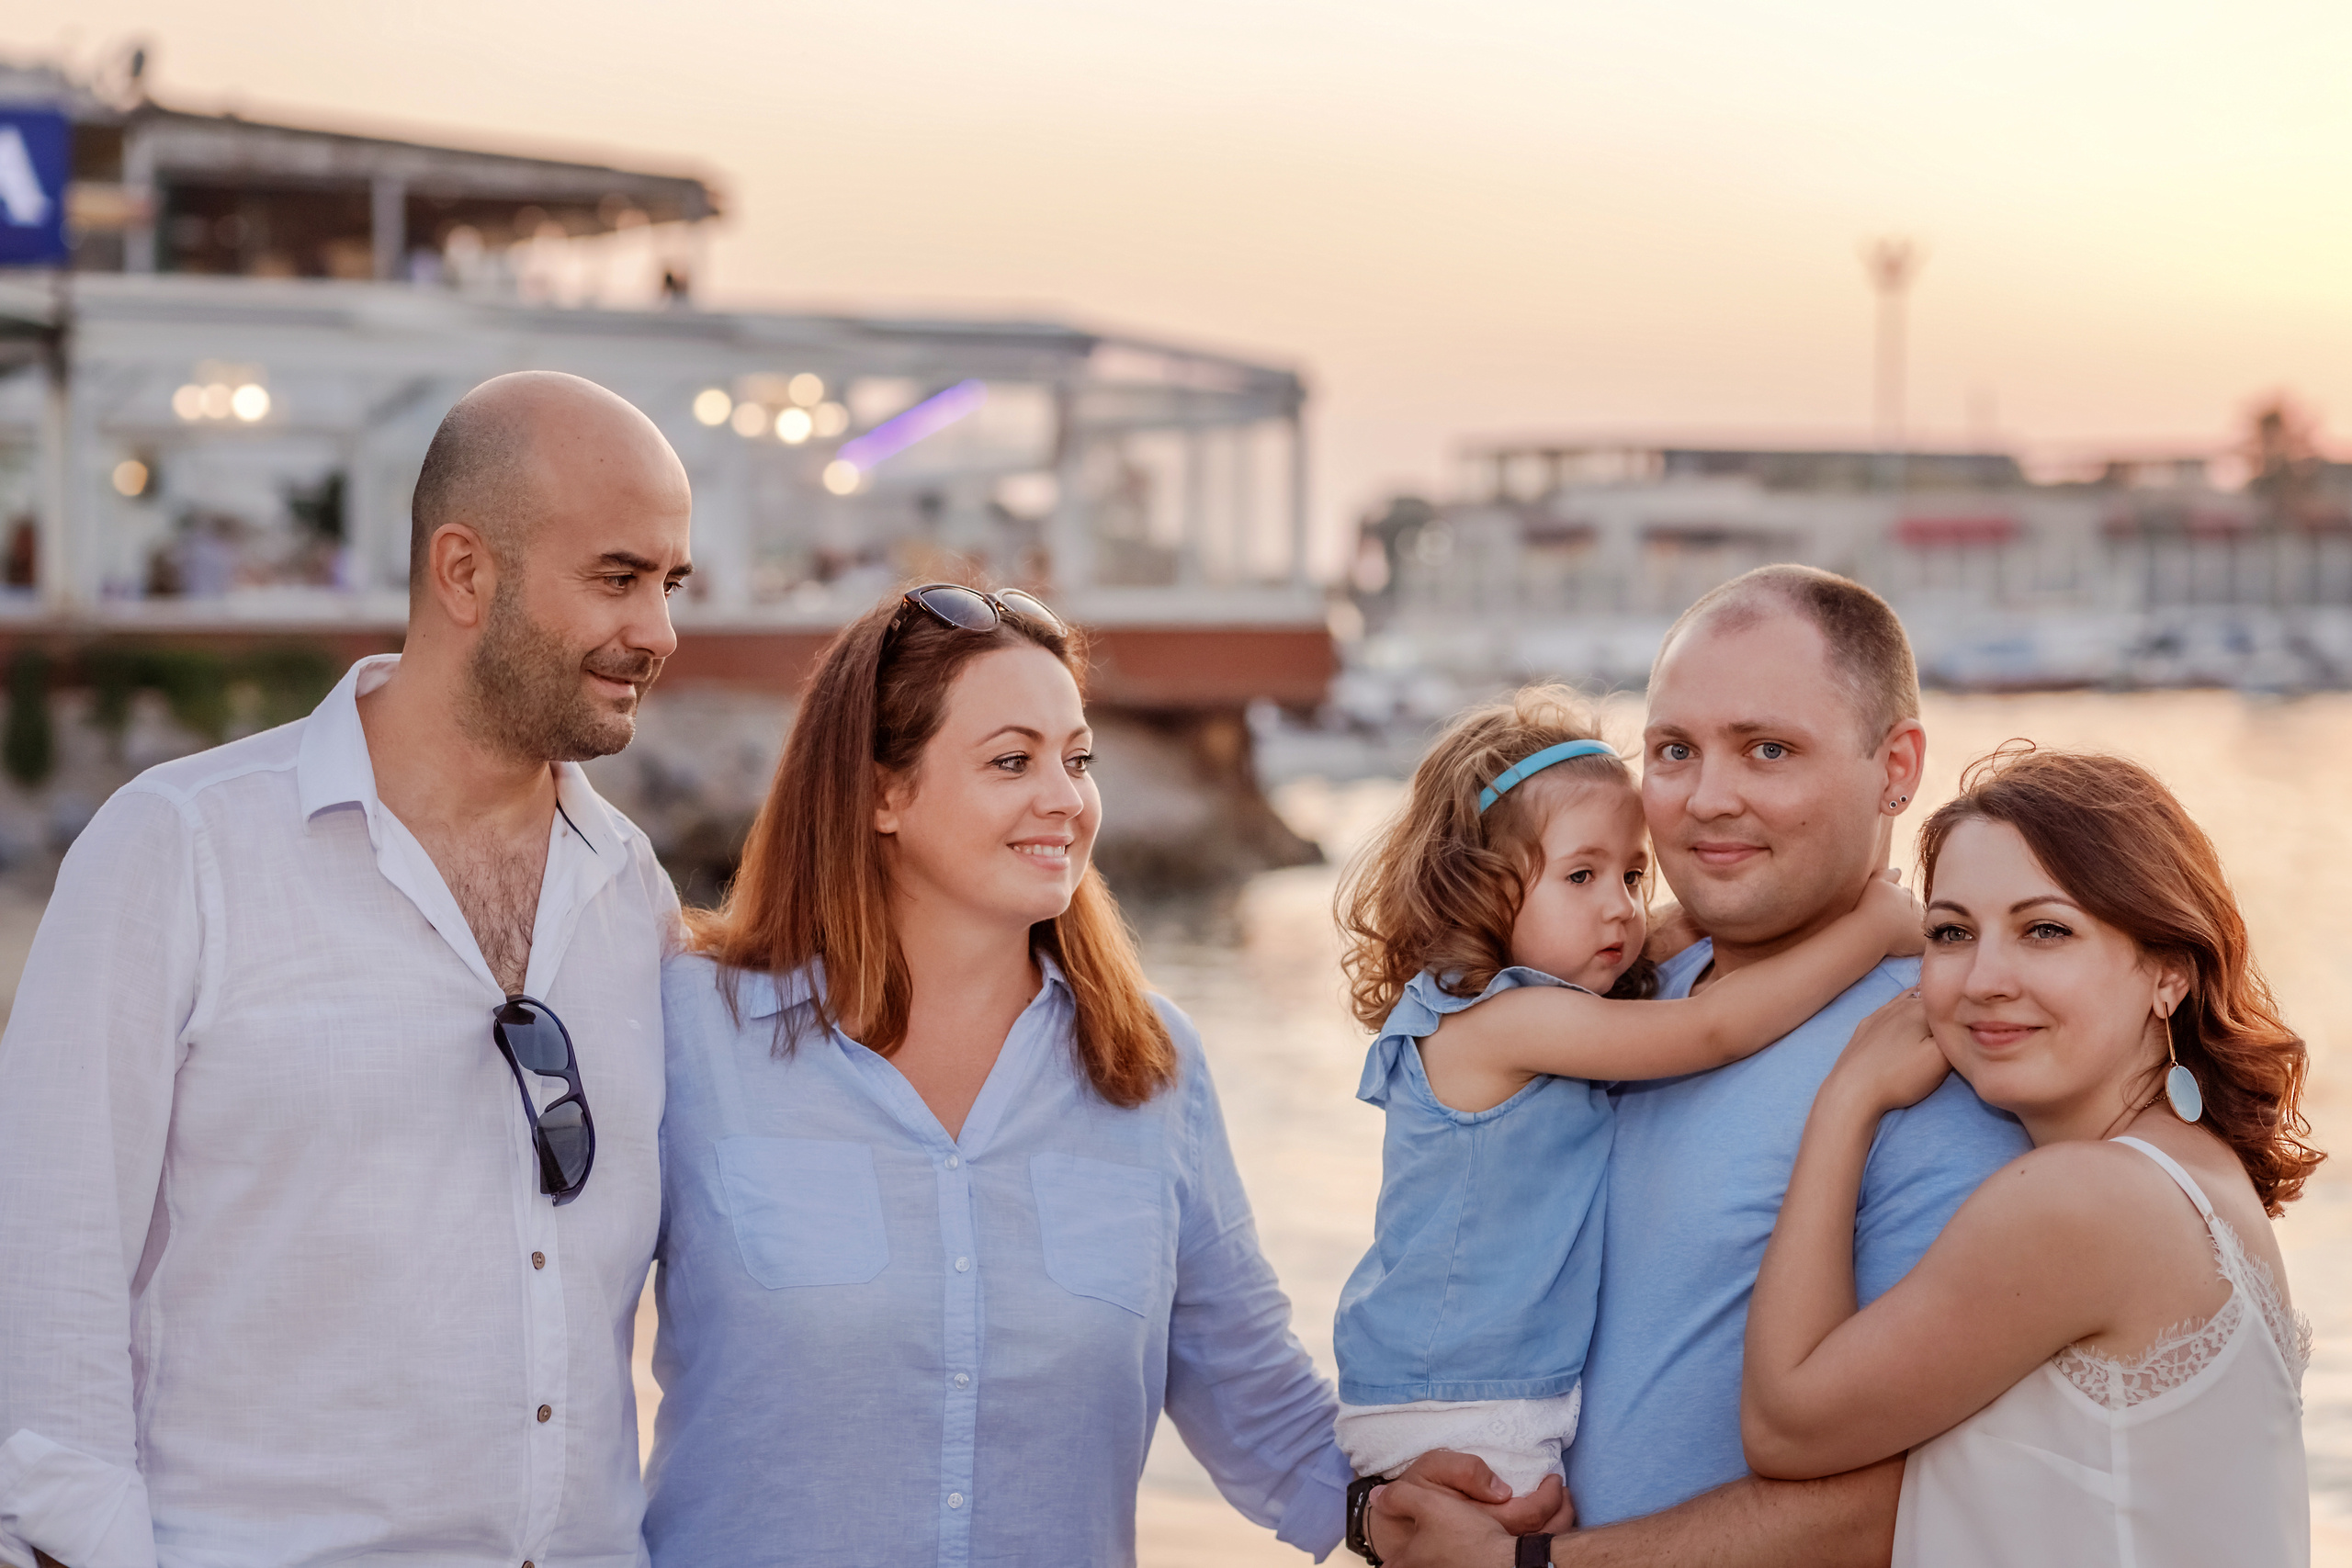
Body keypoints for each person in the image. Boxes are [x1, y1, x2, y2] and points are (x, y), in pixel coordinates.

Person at [0, 371, 693, 1568]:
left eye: (670, 585)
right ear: (465, 570)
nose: (660, 633)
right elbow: (43, 1293)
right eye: (619, 577)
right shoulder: (179, 848)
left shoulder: (634, 893)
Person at [647, 581, 1351, 1566]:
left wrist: (1406, 1509)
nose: (1064, 799)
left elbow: (1259, 1407)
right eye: (1012, 761)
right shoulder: (693, 1026)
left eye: (1077, 759)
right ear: (883, 791)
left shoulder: (1152, 1065)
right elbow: (550, 1362)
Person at [1367, 566, 2032, 1566]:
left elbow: (1921, 1489)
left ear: (1895, 765)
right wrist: (1399, 1499)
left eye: (1768, 749)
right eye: (1674, 750)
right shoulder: (1611, 988)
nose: (1707, 799)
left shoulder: (1934, 1051)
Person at [1329, 685, 1922, 1504]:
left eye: (1632, 873)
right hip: (1462, 1400)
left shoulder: (1522, 1001)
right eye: (1581, 874)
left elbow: (1672, 930)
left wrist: (1707, 912)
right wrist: (1877, 927)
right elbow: (1714, 1028)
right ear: (1480, 890)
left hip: (1464, 1382)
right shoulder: (1504, 1023)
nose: (1620, 905)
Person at [1741, 747, 2316, 1565]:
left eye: (2045, 929)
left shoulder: (2084, 1199)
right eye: (1951, 932)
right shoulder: (2196, 1175)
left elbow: (1784, 1425)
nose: (1984, 977)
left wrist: (1847, 1101)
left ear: (2168, 972)